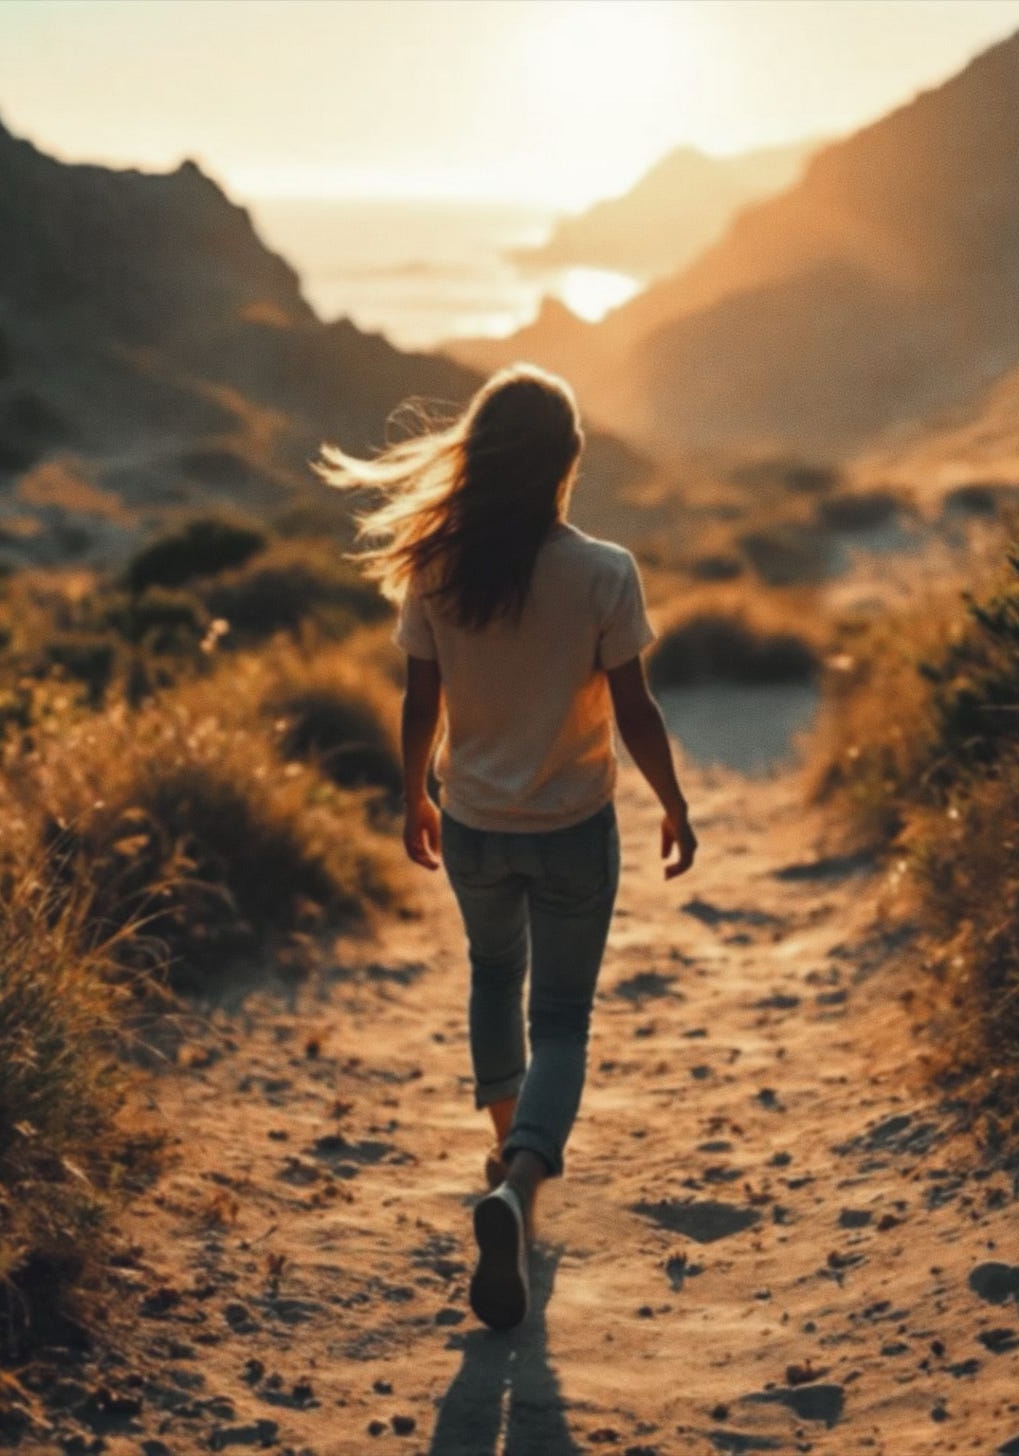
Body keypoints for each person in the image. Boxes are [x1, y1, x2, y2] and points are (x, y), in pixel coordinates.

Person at [315, 362, 696, 1330]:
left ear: (479, 457)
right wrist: (675, 804)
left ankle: (503, 1147)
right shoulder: (604, 569)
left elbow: (418, 701)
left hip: (476, 822)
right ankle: (520, 1185)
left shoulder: (434, 566)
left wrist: (413, 797)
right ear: (568, 461)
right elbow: (636, 708)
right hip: (574, 825)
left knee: (493, 979)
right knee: (562, 1015)